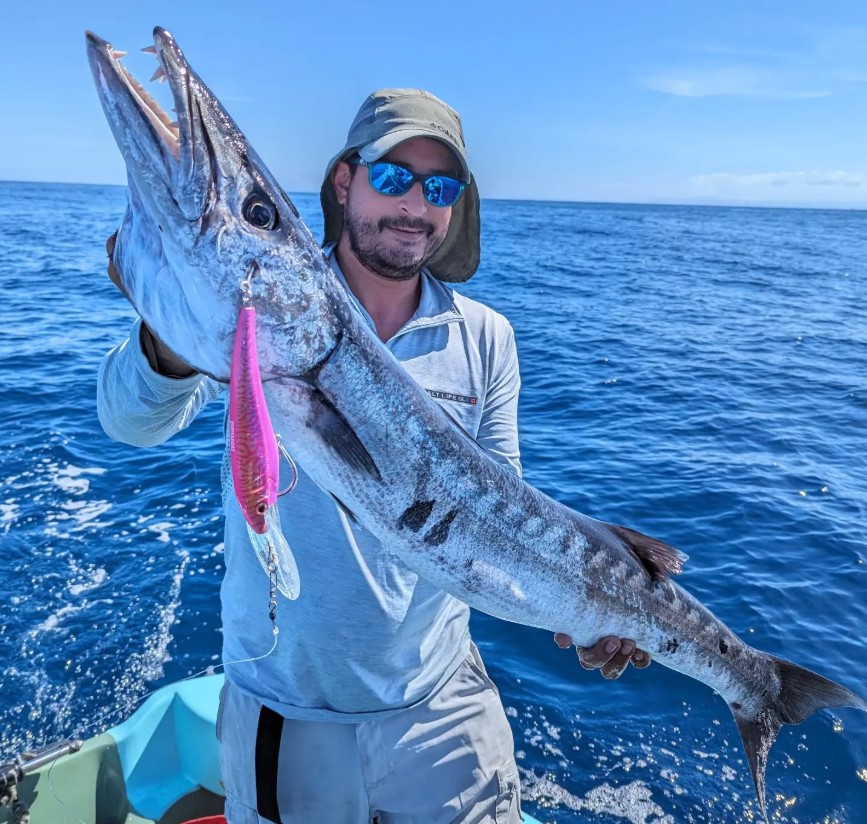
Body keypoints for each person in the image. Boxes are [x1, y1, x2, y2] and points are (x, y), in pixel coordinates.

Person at [98, 89, 649, 824]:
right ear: (343, 183)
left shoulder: (484, 337)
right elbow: (131, 424)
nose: (414, 206)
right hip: (285, 710)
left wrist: (588, 606)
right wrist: (170, 339)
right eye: (392, 178)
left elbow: (505, 512)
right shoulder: (254, 315)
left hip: (441, 704)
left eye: (439, 188)